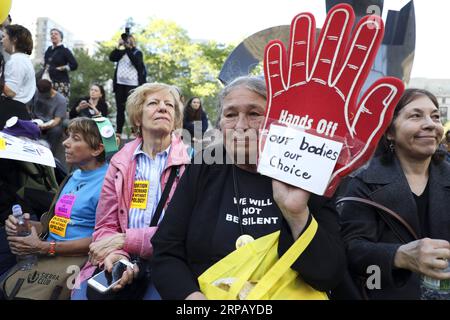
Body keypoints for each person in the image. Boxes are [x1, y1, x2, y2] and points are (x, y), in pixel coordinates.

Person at [151, 76, 345, 300]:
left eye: (254, 114)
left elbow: (329, 274)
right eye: (231, 115)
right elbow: (166, 251)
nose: (241, 126)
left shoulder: (306, 173)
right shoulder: (204, 166)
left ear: (277, 119)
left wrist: (297, 215)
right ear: (221, 123)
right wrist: (192, 297)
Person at [72, 83, 191, 300]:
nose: (163, 108)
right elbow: (105, 224)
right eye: (153, 103)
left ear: (175, 120)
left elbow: (186, 233)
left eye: (169, 105)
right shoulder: (119, 163)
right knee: (81, 296)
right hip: (124, 260)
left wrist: (124, 240)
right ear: (137, 118)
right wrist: (117, 256)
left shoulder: (192, 165)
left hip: (171, 262)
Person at [339, 89, 450, 300]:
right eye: (415, 116)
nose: (430, 124)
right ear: (389, 131)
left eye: (435, 116)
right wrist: (399, 256)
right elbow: (351, 249)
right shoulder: (363, 182)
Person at [1, 117, 109, 298]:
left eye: (75, 138)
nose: (65, 143)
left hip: (74, 264)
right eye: (68, 137)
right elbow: (54, 224)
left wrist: (45, 247)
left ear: (97, 148)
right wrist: (26, 226)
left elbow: (101, 240)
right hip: (46, 256)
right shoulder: (72, 176)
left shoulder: (108, 182)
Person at [110, 34, 146, 138]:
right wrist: (119, 46)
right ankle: (118, 132)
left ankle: (134, 130)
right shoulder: (121, 52)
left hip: (133, 85)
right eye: (125, 40)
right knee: (120, 108)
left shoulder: (137, 52)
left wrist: (129, 49)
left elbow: (137, 63)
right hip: (120, 84)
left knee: (132, 109)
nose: (127, 41)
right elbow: (112, 58)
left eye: (129, 40)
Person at [0, 24, 34, 129]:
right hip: (14, 110)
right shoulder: (21, 59)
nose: (2, 41)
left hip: (10, 112)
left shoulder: (17, 60)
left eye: (4, 37)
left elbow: (11, 92)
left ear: (14, 39)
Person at [30, 79, 67, 166]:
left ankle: (49, 156)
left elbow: (57, 120)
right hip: (35, 120)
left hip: (51, 124)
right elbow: (28, 107)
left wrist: (45, 126)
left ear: (51, 89)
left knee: (57, 130)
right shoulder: (35, 92)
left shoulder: (61, 100)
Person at [42, 28, 78, 99]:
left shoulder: (65, 50)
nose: (53, 35)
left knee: (60, 107)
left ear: (61, 38)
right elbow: (46, 64)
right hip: (48, 82)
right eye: (51, 34)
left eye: (56, 34)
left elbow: (74, 65)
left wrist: (62, 68)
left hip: (61, 83)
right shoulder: (49, 50)